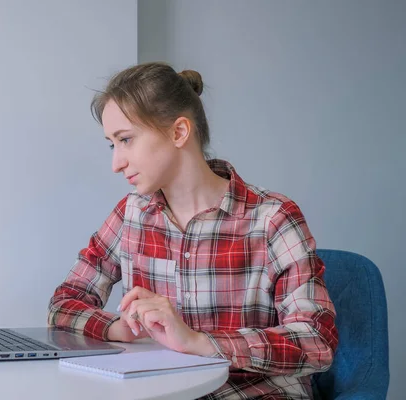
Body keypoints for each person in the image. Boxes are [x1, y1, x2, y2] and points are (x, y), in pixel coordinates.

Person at [48, 62, 338, 399]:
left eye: (126, 140)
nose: (116, 163)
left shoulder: (272, 217)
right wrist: (117, 327)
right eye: (113, 145)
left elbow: (316, 341)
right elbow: (64, 303)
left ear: (179, 132)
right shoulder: (132, 214)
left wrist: (198, 342)